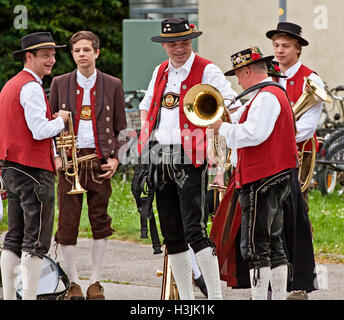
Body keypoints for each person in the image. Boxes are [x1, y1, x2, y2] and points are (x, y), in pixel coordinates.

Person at [137, 17, 241, 300]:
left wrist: (221, 135)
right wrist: (145, 144)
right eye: (172, 43)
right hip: (160, 156)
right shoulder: (160, 70)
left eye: (183, 42)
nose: (178, 48)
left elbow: (233, 103)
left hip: (189, 158)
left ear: (191, 41)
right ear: (165, 45)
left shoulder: (208, 69)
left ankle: (215, 297)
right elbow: (146, 106)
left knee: (195, 231)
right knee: (172, 235)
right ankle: (186, 298)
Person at [208, 46, 298, 300]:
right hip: (272, 176)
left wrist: (222, 127)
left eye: (238, 73)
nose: (237, 80)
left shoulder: (267, 97)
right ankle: (276, 296)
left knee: (257, 246)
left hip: (262, 179)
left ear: (247, 70)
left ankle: (261, 297)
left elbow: (254, 135)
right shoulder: (268, 95)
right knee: (274, 243)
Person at [49, 30, 127, 300]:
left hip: (99, 158)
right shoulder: (59, 82)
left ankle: (95, 281)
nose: (81, 54)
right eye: (76, 50)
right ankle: (74, 283)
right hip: (69, 160)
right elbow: (49, 125)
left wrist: (116, 158)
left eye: (86, 50)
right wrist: (55, 156)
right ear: (72, 55)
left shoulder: (113, 84)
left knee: (100, 221)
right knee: (67, 223)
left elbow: (121, 128)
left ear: (97, 52)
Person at [0, 32, 69, 300]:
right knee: (36, 241)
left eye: (53, 54)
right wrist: (61, 119)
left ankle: (8, 297)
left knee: (13, 237)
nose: (52, 60)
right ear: (29, 57)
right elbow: (40, 129)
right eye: (45, 55)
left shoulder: (10, 85)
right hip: (33, 172)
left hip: (12, 168)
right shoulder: (30, 87)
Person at [266, 22, 320, 300]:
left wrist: (274, 135)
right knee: (269, 218)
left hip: (298, 158)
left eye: (285, 45)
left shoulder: (311, 80)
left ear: (298, 49)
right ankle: (273, 279)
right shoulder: (269, 77)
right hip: (270, 158)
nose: (279, 50)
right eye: (276, 45)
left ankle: (299, 284)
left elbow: (308, 127)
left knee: (297, 219)